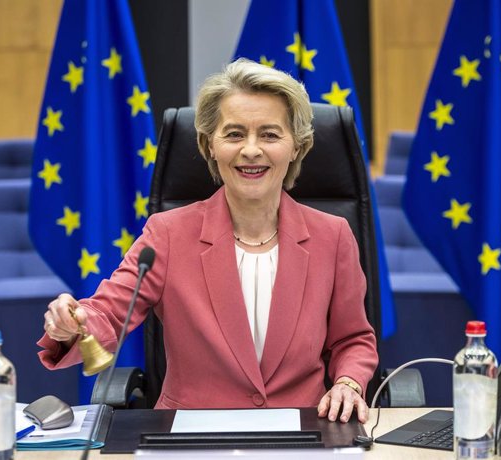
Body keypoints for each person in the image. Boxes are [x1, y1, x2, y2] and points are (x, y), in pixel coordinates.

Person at [38, 58, 378, 423]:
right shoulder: (168, 233)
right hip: (191, 433)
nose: (251, 150)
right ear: (209, 145)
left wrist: (348, 382)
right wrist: (75, 323)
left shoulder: (333, 235)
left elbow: (352, 339)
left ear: (296, 146)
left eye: (270, 134)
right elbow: (109, 311)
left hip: (301, 430)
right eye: (234, 134)